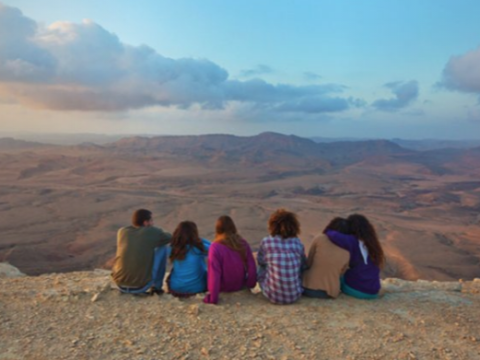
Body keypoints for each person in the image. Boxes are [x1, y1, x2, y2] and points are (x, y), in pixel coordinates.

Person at [111, 209, 172, 295]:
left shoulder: (122, 231)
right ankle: (156, 287)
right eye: (151, 220)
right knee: (163, 248)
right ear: (145, 222)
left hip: (120, 284)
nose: (153, 223)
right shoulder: (152, 231)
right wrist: (156, 230)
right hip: (140, 287)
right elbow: (169, 237)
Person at [325, 214, 385, 299]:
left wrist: (329, 229)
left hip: (357, 290)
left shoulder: (352, 241)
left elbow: (333, 234)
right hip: (374, 291)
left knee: (337, 277)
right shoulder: (372, 244)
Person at [257, 209, 307, 304]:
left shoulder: (266, 241)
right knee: (299, 265)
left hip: (271, 295)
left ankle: (272, 286)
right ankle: (291, 285)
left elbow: (261, 262)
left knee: (262, 265)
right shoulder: (297, 242)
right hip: (294, 295)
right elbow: (303, 265)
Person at [204, 216, 257, 304]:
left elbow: (214, 274)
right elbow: (251, 266)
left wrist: (213, 298)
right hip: (239, 284)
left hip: (223, 287)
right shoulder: (242, 243)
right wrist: (250, 284)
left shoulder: (215, 247)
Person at [302, 217, 350, 299]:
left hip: (308, 288)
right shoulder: (348, 251)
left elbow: (309, 263)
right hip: (329, 292)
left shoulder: (319, 238)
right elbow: (341, 273)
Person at [167, 221, 211, 297]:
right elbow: (215, 248)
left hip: (176, 288)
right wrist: (200, 240)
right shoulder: (199, 248)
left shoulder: (173, 248)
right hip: (197, 288)